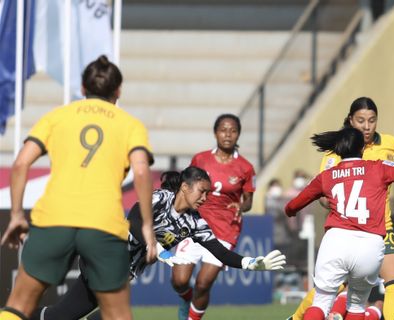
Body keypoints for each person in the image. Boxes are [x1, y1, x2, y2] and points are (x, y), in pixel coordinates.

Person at [0, 55, 157, 320]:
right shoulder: (130, 125)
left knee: (18, 305)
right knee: (117, 314)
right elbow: (141, 171)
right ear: (118, 91)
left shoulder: (57, 116)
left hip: (54, 218)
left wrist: (16, 214)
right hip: (102, 223)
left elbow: (20, 164)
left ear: (83, 89)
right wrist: (147, 229)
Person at [29, 166, 286, 320]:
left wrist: (251, 263)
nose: (206, 198)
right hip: (102, 255)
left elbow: (218, 250)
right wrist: (159, 250)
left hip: (119, 274)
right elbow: (135, 219)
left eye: (208, 193)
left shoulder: (195, 223)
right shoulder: (160, 198)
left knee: (59, 316)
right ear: (185, 187)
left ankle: (16, 314)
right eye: (202, 191)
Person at [285, 127, 394, 320]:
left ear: (340, 150)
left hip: (336, 241)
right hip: (369, 245)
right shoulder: (380, 167)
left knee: (321, 303)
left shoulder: (327, 175)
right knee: (356, 307)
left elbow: (293, 206)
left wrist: (290, 211)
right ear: (363, 149)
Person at [171, 114, 256, 320]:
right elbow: (188, 188)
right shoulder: (200, 159)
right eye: (223, 130)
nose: (228, 134)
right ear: (215, 133)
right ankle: (186, 299)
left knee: (203, 283)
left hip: (225, 230)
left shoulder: (245, 167)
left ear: (238, 135)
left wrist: (240, 205)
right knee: (180, 281)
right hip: (195, 224)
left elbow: (248, 202)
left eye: (233, 130)